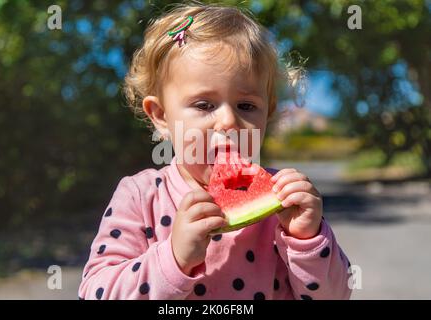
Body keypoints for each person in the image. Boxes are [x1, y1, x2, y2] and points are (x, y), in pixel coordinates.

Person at [78, 3, 352, 300]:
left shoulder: (281, 201)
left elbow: (337, 295)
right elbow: (95, 292)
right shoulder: (140, 197)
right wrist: (172, 259)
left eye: (246, 106)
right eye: (204, 105)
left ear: (267, 115)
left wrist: (308, 239)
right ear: (160, 115)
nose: (229, 121)